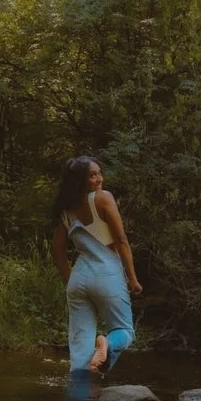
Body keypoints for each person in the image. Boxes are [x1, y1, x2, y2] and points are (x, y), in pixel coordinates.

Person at [51, 156, 139, 374]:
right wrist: (133, 279)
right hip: (107, 273)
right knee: (125, 331)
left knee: (80, 350)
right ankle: (106, 344)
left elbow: (58, 249)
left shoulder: (65, 210)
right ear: (80, 180)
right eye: (92, 175)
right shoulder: (103, 198)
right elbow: (121, 241)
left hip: (79, 277)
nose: (99, 179)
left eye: (100, 173)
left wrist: (69, 279)